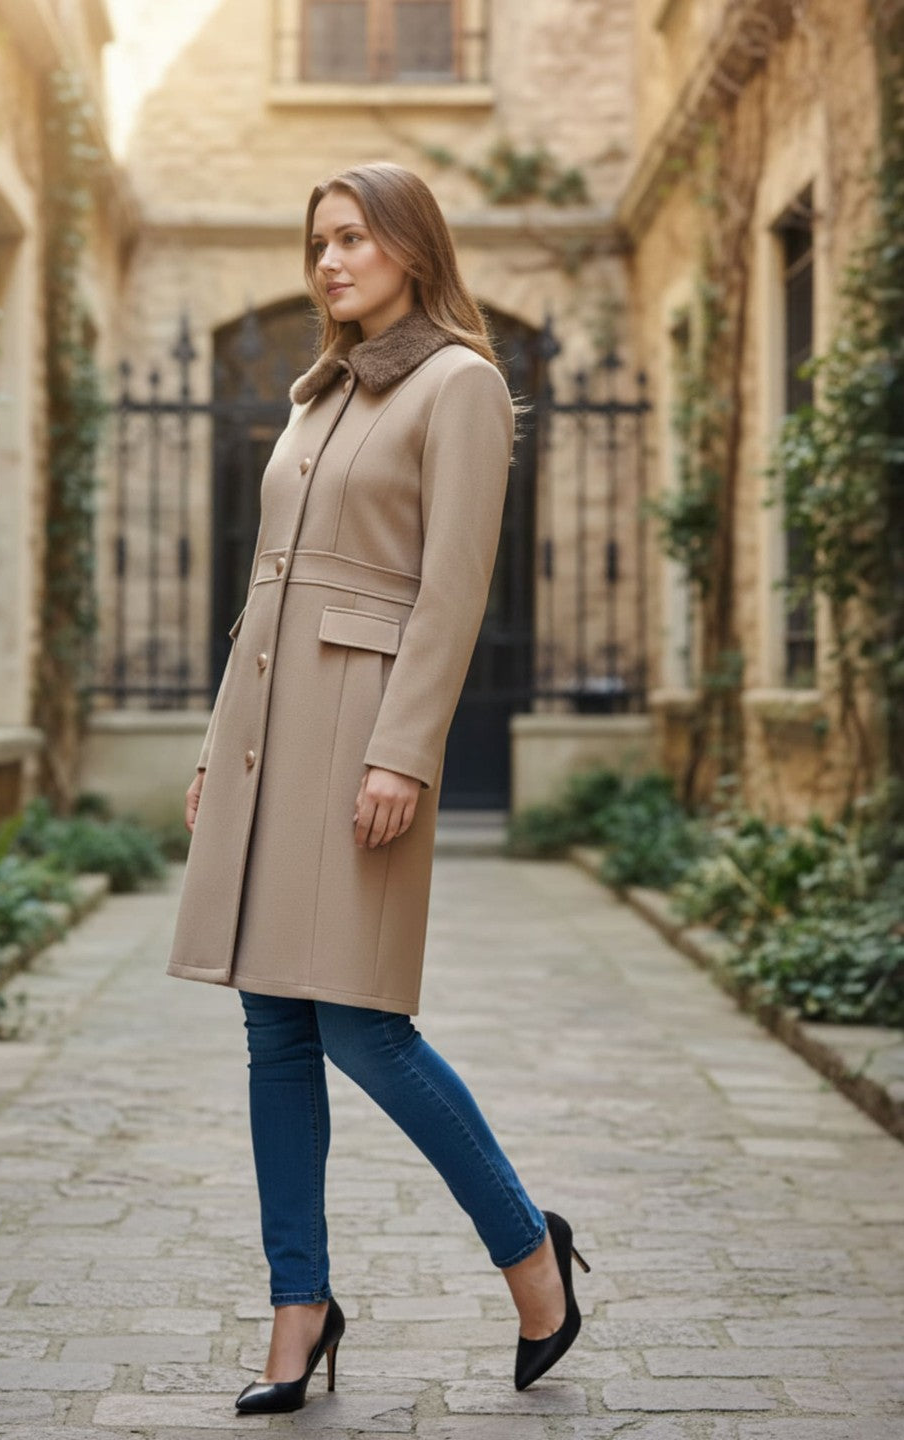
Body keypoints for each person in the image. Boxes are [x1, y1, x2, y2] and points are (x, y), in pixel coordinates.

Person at [166, 162, 589, 1414]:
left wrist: (403, 750)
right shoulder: (321, 394)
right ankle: (299, 1305)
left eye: (353, 237)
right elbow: (265, 594)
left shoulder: (460, 385)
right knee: (273, 1028)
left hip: (362, 739)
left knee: (363, 1025)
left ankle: (530, 1253)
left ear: (412, 245)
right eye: (318, 243)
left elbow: (452, 590)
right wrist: (216, 747)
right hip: (269, 737)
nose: (331, 261)